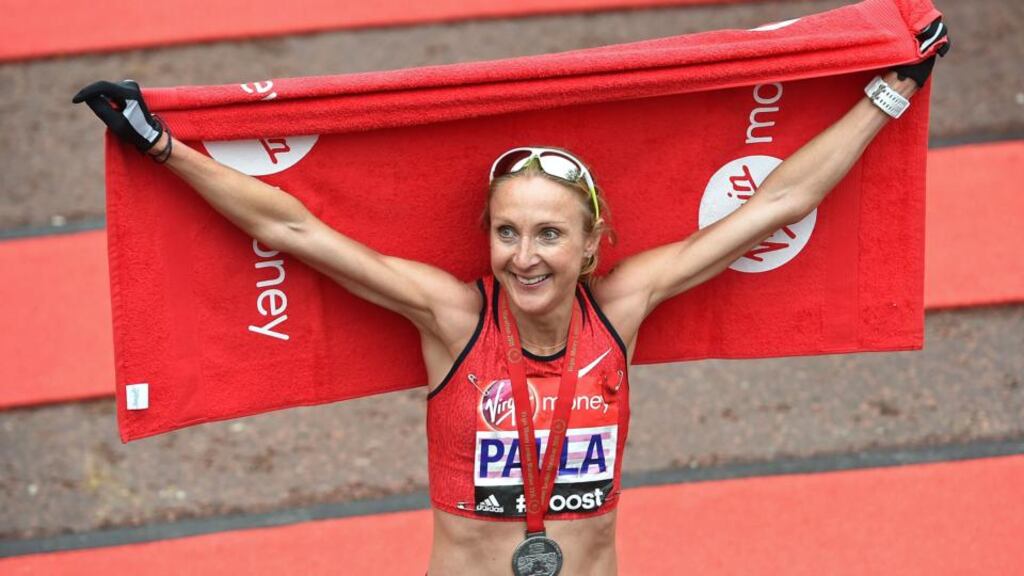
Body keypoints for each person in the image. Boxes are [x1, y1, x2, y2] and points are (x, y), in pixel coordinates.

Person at [74, 35, 944, 576]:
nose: (524, 257)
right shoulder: (452, 318)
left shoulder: (624, 307)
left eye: (549, 236)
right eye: (507, 233)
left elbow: (776, 205)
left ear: (592, 246)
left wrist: (889, 94)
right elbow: (298, 231)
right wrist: (163, 149)